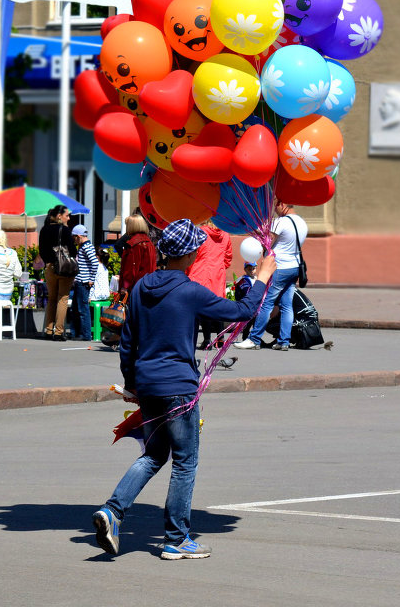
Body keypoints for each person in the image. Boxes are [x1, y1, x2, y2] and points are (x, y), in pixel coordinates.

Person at [92, 218, 276, 560]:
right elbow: (243, 311)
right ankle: (176, 539)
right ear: (191, 253)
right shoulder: (189, 291)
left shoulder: (144, 287)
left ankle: (113, 511)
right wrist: (262, 277)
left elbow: (127, 342)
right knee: (185, 461)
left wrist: (132, 383)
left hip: (147, 384)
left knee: (153, 454)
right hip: (177, 386)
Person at [234, 201, 308, 351]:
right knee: (287, 305)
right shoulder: (302, 222)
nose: (275, 209)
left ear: (283, 204)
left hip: (279, 267)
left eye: (276, 205)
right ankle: (284, 341)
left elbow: (268, 243)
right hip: (294, 267)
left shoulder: (280, 222)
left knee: (267, 302)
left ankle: (254, 339)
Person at [186, 219, 233, 349]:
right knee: (217, 306)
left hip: (200, 273)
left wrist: (188, 270)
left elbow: (192, 255)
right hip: (217, 274)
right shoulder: (225, 234)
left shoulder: (200, 233)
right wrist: (220, 267)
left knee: (203, 307)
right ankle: (220, 339)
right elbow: (228, 257)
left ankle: (207, 340)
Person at [38, 204, 77, 340]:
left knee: (52, 298)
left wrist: (49, 260)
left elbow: (42, 250)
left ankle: (49, 330)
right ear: (59, 216)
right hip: (64, 267)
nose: (69, 218)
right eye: (67, 215)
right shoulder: (65, 230)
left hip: (49, 267)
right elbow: (73, 251)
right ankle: (59, 331)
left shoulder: (44, 229)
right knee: (63, 298)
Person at [70, 224, 98, 341]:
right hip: (80, 281)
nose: (74, 240)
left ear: (78, 236)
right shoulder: (84, 246)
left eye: (74, 238)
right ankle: (76, 332)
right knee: (76, 308)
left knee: (82, 309)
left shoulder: (86, 247)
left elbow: (95, 263)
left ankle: (85, 334)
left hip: (83, 281)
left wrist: (91, 278)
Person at [118, 214, 156, 297]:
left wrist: (125, 286)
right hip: (148, 285)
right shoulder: (149, 243)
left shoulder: (134, 244)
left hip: (135, 287)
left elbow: (131, 269)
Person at [234, 262, 257, 341]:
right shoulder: (243, 280)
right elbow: (245, 292)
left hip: (256, 305)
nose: (251, 271)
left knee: (255, 322)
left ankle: (254, 338)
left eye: (253, 269)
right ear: (245, 269)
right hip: (247, 304)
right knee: (247, 322)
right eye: (249, 269)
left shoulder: (258, 279)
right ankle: (245, 337)